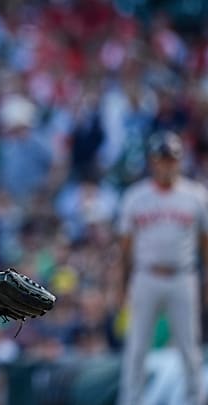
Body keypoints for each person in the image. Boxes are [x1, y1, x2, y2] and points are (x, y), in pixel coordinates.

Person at [117, 131, 208, 405]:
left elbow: (205, 244)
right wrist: (122, 287)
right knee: (137, 348)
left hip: (183, 275)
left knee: (189, 348)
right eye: (161, 159)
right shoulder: (136, 196)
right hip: (146, 275)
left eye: (171, 159)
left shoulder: (196, 196)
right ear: (152, 161)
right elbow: (125, 249)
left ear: (179, 161)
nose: (166, 164)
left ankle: (194, 400)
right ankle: (131, 400)